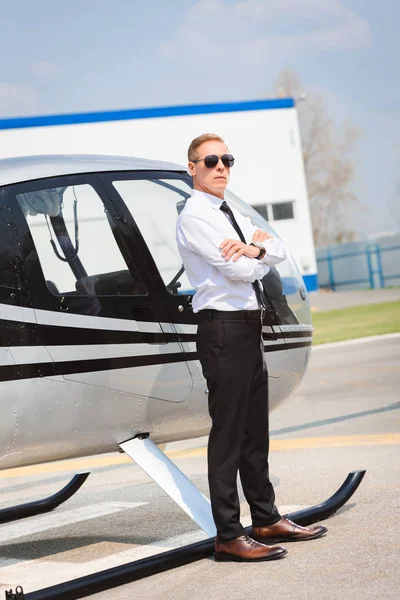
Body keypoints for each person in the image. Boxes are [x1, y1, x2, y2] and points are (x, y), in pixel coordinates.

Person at [176, 133, 327, 562]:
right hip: (222, 329)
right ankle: (228, 534)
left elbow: (274, 248)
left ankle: (265, 517)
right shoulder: (196, 216)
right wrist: (255, 254)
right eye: (210, 160)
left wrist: (255, 247)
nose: (221, 166)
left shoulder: (228, 213)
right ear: (193, 168)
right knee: (227, 435)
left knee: (253, 430)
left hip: (247, 328)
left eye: (227, 159)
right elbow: (239, 270)